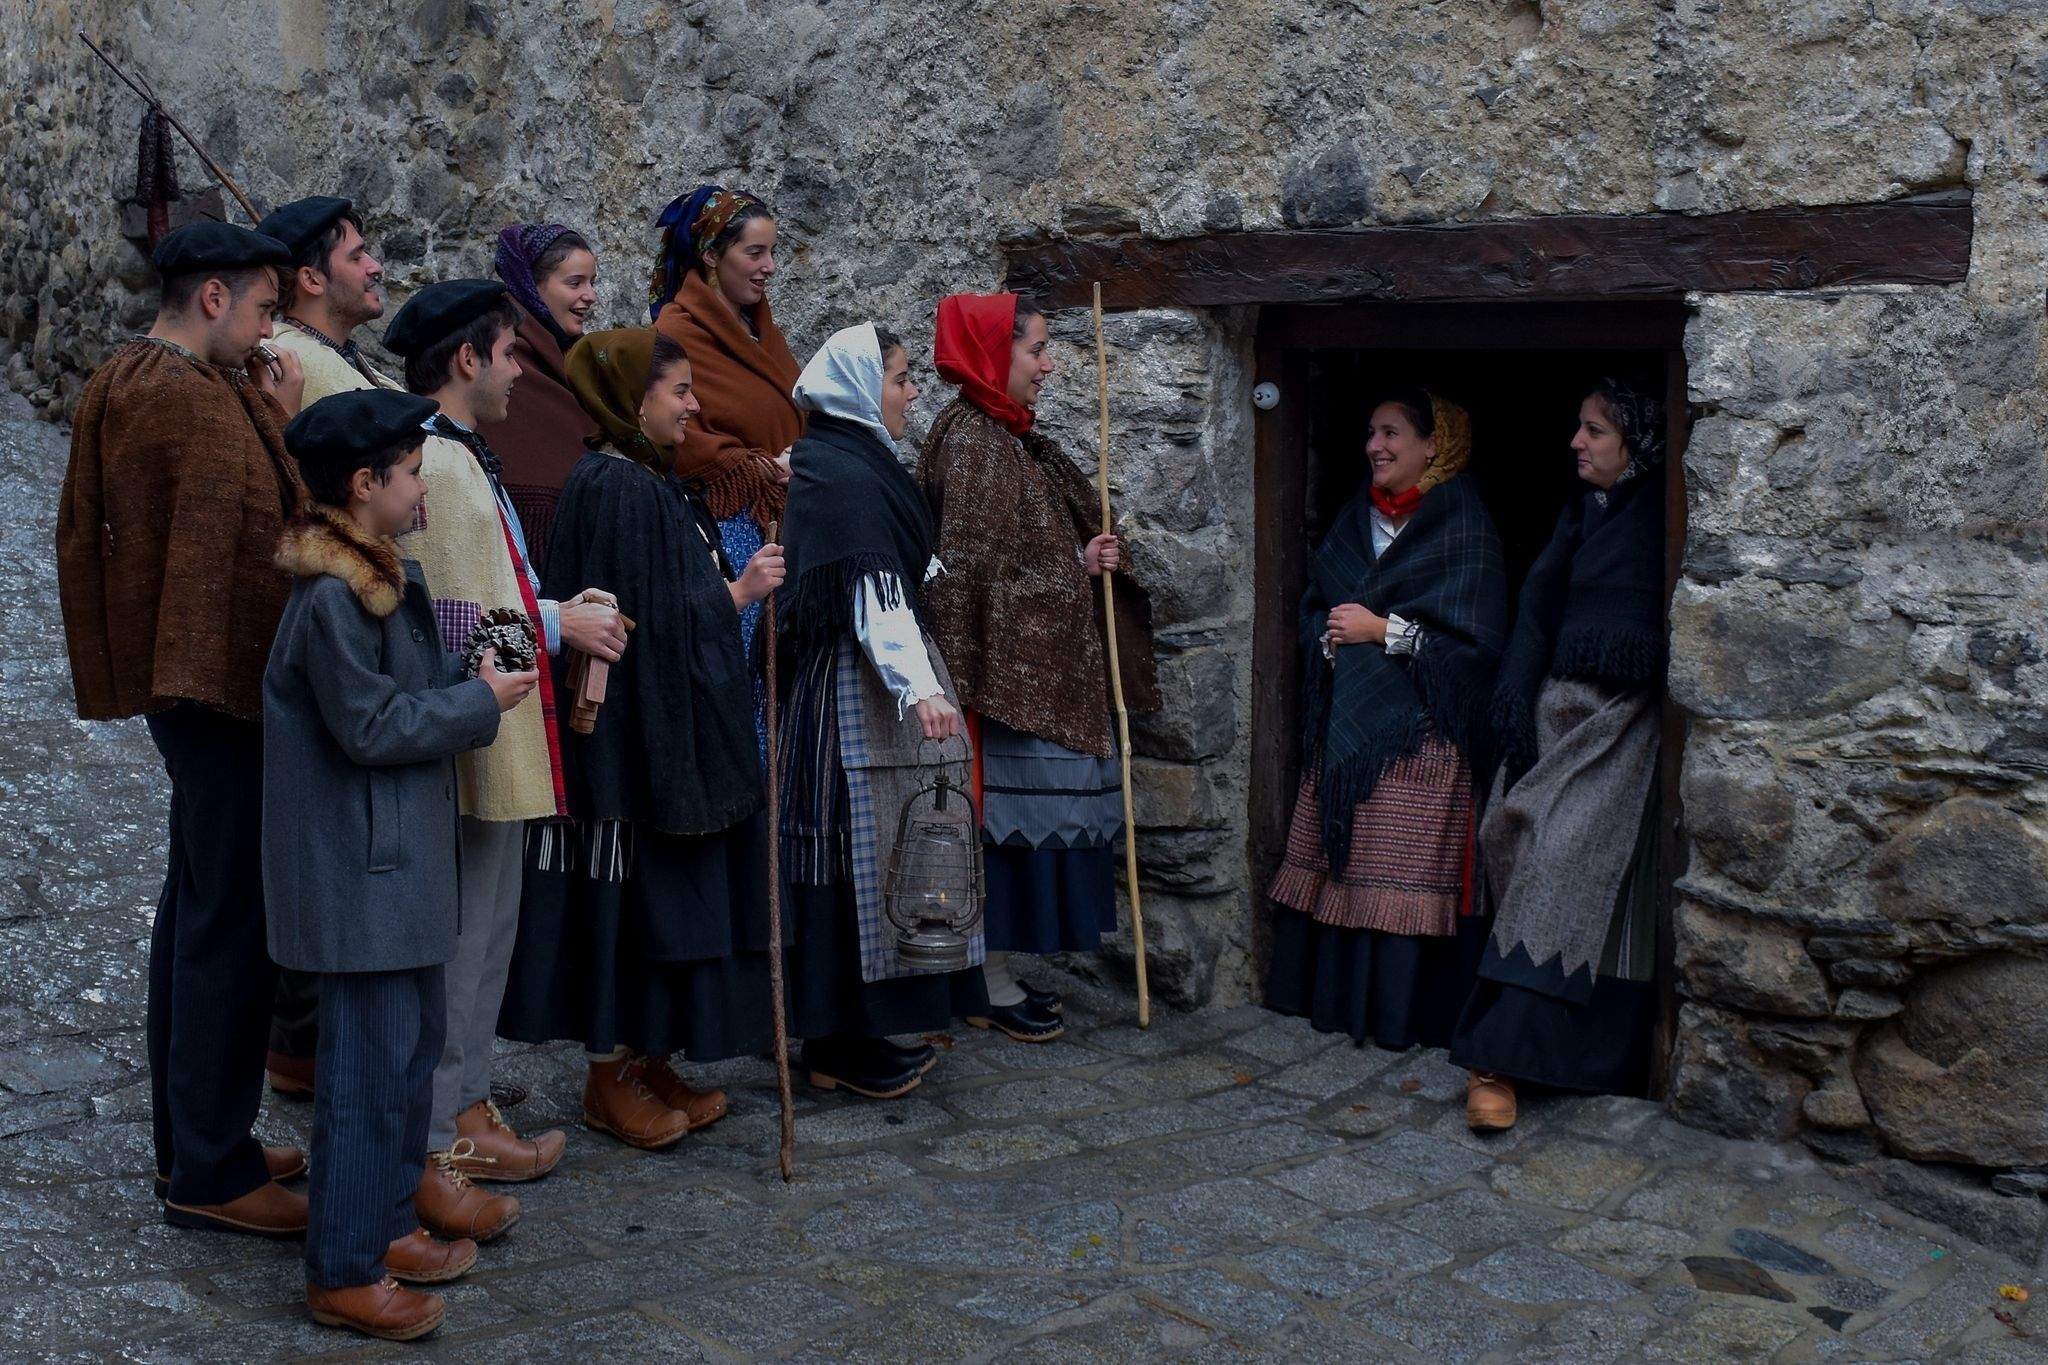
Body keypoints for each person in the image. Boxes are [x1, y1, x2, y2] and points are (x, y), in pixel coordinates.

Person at [265, 389, 539, 1339]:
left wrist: (466, 679)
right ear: (364, 482)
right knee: (366, 1072)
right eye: (411, 473)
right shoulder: (332, 597)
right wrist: (480, 705)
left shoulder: (379, 578)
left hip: (396, 869)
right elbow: (371, 723)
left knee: (405, 1057)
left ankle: (381, 1227)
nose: (423, 486)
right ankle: (342, 1267)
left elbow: (399, 697)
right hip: (362, 875)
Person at [55, 221, 310, 1235]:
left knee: (199, 913)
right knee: (226, 930)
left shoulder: (134, 377)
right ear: (212, 297)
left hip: (189, 693)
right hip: (217, 694)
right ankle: (209, 1169)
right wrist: (283, 426)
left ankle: (204, 1141)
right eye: (257, 310)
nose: (262, 334)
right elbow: (249, 544)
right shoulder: (187, 399)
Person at [383, 279, 628, 1241]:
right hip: (474, 734)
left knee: (486, 935)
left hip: (501, 728)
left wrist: (555, 614)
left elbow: (494, 587)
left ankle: (469, 1104)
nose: (523, 368)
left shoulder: (458, 457)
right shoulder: (436, 466)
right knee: (460, 940)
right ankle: (444, 1126)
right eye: (509, 352)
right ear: (465, 359)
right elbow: (451, 614)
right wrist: (561, 623)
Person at [501, 328, 785, 1148]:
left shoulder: (642, 481)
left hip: (653, 738)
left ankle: (647, 1056)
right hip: (629, 748)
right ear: (634, 400)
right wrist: (737, 592)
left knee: (660, 906)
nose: (693, 406)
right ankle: (607, 1075)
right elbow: (649, 623)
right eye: (679, 392)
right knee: (624, 912)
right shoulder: (620, 488)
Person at [919, 292, 1159, 1040]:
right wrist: (1072, 565)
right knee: (997, 835)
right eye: (1036, 350)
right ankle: (978, 976)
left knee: (1009, 836)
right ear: (994, 354)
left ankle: (988, 971)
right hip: (997, 687)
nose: (1049, 365)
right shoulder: (974, 447)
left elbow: (1009, 560)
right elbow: (966, 577)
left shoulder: (1009, 438)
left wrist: (1080, 555)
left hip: (1016, 679)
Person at [776, 322, 990, 1099]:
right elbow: (875, 589)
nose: (909, 394)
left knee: (877, 849)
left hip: (868, 686)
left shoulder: (854, 461)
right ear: (866, 386)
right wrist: (917, 685)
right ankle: (837, 1043)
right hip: (853, 694)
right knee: (848, 853)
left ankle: (858, 1033)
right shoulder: (841, 471)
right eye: (900, 379)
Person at [1452, 380, 1668, 1130]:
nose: (1578, 442)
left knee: (1562, 854)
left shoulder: (1656, 523)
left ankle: (1498, 1060)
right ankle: (1537, 1050)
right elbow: (1539, 617)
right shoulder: (1582, 516)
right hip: (1552, 719)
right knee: (1506, 834)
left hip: (1616, 725)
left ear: (1636, 445)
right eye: (1580, 428)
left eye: (1596, 431)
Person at [1264, 389, 1507, 1054]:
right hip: (1347, 730)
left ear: (1435, 445)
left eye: (1393, 433)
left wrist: (1383, 629)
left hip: (1420, 735)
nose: (1377, 446)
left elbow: (1478, 646)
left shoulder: (1463, 525)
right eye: (1371, 432)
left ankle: (1400, 1016)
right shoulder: (1353, 520)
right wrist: (1333, 633)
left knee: (1397, 863)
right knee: (1333, 857)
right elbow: (1317, 604)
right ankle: (1330, 1003)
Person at [251, 193, 399, 1101]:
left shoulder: (335, 360)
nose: (376, 264)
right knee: (336, 835)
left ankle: (304, 1038)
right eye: (358, 252)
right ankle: (305, 1042)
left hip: (367, 611)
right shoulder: (303, 367)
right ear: (312, 276)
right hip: (345, 619)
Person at [649, 186, 801, 742]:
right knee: (734, 690)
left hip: (778, 528)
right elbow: (683, 440)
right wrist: (761, 468)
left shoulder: (762, 332)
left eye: (772, 253)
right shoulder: (678, 331)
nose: (768, 268)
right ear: (712, 255)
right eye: (754, 253)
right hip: (727, 534)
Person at [477, 223, 601, 565]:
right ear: (531, 287)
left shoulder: (573, 365)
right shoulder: (509, 368)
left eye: (592, 283)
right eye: (575, 283)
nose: (590, 296)